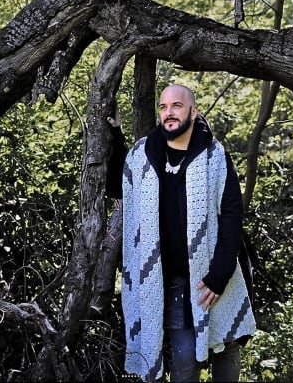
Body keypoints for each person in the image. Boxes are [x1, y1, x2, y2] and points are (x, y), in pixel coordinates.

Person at [111, 84, 256, 382]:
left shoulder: (214, 156)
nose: (169, 113)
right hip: (173, 281)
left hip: (214, 275)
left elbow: (231, 217)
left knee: (227, 348)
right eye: (163, 107)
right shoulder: (144, 154)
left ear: (193, 110)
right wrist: (114, 134)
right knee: (185, 361)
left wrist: (219, 276)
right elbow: (119, 187)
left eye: (176, 106)